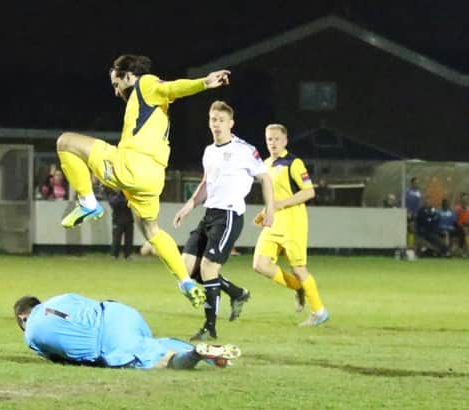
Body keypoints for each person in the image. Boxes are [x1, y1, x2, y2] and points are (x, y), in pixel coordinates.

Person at [55, 54, 231, 308]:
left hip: (133, 165)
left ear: (129, 76)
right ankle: (186, 282)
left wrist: (204, 82)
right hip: (153, 177)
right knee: (152, 232)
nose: (116, 92)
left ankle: (87, 203)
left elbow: (172, 87)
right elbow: (169, 91)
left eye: (117, 84)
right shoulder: (152, 103)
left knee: (66, 142)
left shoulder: (145, 84)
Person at [173, 101, 274, 341]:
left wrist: (270, 209)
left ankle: (210, 327)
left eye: (220, 120)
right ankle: (237, 293)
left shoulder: (244, 150)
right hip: (209, 214)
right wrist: (188, 206)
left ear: (231, 123)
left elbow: (266, 179)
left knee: (208, 268)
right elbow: (206, 183)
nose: (216, 124)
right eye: (212, 120)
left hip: (229, 216)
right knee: (187, 268)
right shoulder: (209, 151)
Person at [13, 293, 241, 369]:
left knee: (163, 361)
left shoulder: (30, 334)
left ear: (23, 317)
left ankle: (196, 354)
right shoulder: (60, 297)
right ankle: (210, 356)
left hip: (108, 343)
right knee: (153, 343)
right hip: (119, 313)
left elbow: (60, 358)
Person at [252, 124, 329, 327]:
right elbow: (272, 196)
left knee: (298, 269)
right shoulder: (265, 164)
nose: (273, 143)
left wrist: (280, 204)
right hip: (272, 222)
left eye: (277, 139)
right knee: (260, 265)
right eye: (269, 139)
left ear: (285, 141)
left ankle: (319, 311)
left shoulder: (294, 163)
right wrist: (264, 212)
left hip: (293, 221)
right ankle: (299, 288)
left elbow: (309, 192)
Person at [106, 188, 134, 260]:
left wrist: (125, 201)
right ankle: (114, 255)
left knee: (129, 239)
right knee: (116, 238)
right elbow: (113, 203)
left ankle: (128, 255)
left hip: (128, 219)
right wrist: (124, 201)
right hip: (117, 220)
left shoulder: (127, 194)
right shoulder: (112, 193)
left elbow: (130, 203)